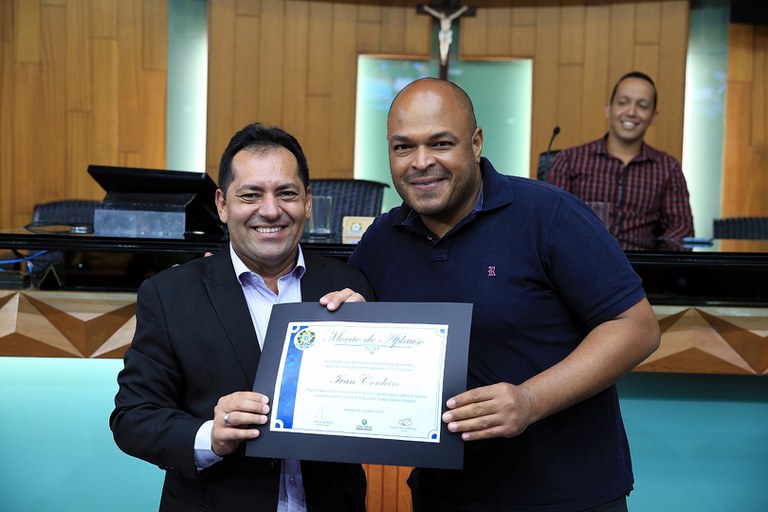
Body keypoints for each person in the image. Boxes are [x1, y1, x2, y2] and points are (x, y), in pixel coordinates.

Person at [336, 78, 660, 511]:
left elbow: (637, 328)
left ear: (476, 143)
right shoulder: (382, 241)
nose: (421, 161)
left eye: (441, 143)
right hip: (445, 496)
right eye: (403, 147)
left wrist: (530, 400)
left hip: (568, 495)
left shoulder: (548, 215)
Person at [110, 123, 373, 511]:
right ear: (222, 204)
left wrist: (370, 347)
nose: (271, 210)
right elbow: (133, 417)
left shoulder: (350, 285)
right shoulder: (171, 294)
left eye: (286, 193)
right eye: (251, 195)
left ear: (308, 201)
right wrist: (210, 436)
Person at [546, 71, 694, 251]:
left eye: (642, 106)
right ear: (608, 109)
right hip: (580, 261)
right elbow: (549, 221)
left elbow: (681, 230)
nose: (631, 112)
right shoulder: (569, 160)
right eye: (623, 103)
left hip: (642, 265)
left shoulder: (667, 168)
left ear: (654, 116)